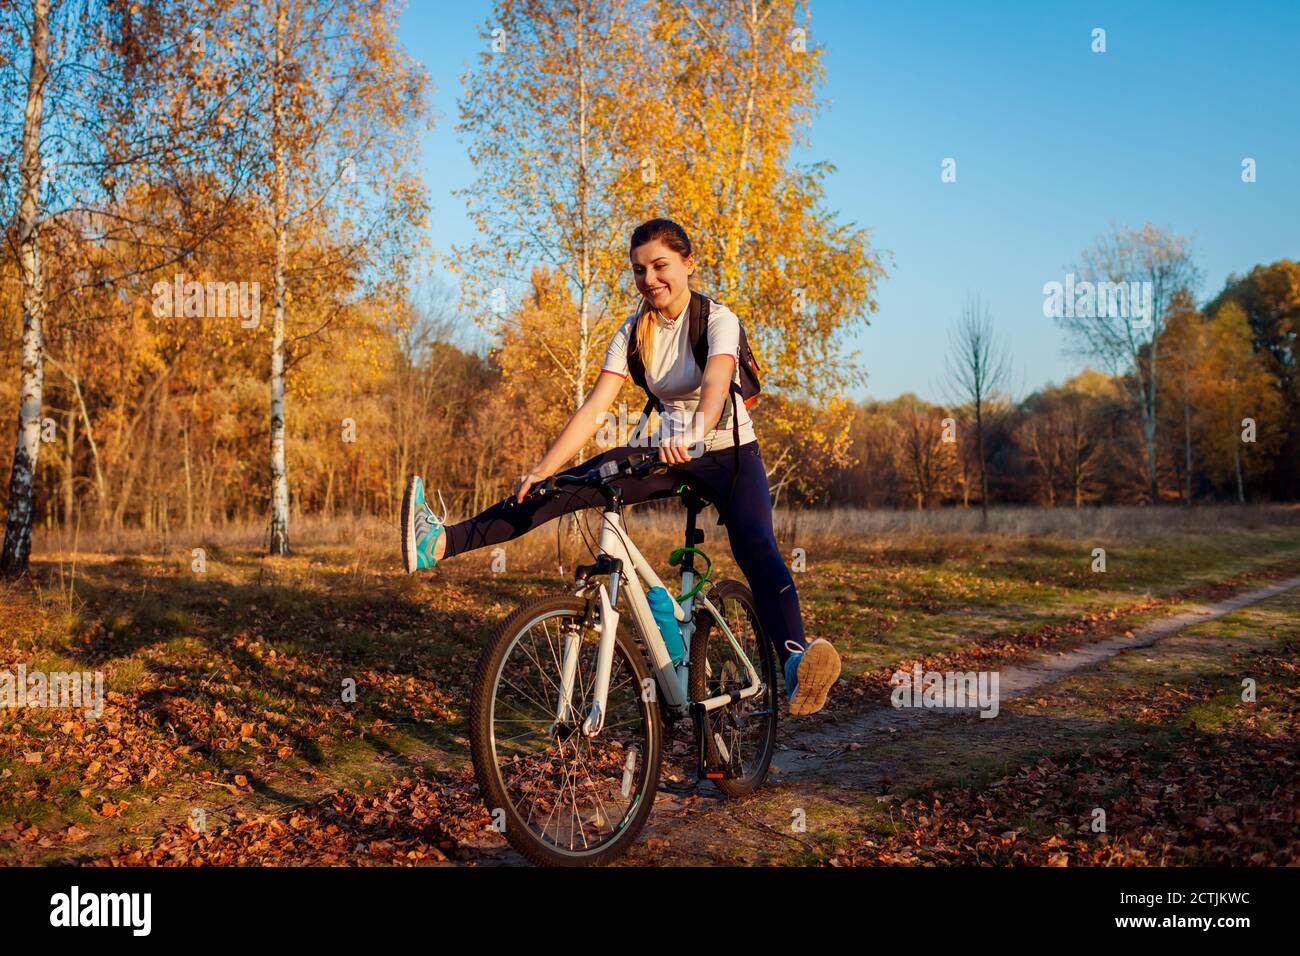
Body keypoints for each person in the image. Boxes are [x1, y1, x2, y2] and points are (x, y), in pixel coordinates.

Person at [401, 217, 841, 715]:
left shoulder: (719, 320)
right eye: (639, 270)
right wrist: (543, 468)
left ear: (688, 265)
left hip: (728, 453)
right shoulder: (633, 333)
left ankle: (796, 665)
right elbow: (594, 410)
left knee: (756, 545)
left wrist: (696, 433)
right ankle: (439, 542)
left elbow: (717, 384)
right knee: (559, 489)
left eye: (660, 265)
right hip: (668, 452)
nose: (650, 279)